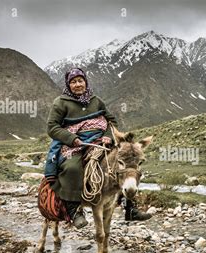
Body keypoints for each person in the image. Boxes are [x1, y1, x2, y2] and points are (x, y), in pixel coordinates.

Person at [46, 67, 151, 228]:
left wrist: (109, 135)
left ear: (85, 82)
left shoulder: (96, 101)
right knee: (72, 167)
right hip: (74, 144)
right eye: (73, 82)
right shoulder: (60, 103)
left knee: (122, 163)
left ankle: (130, 208)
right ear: (68, 85)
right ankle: (75, 210)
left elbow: (110, 120)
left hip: (100, 140)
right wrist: (72, 138)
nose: (78, 84)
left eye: (80, 81)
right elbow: (52, 127)